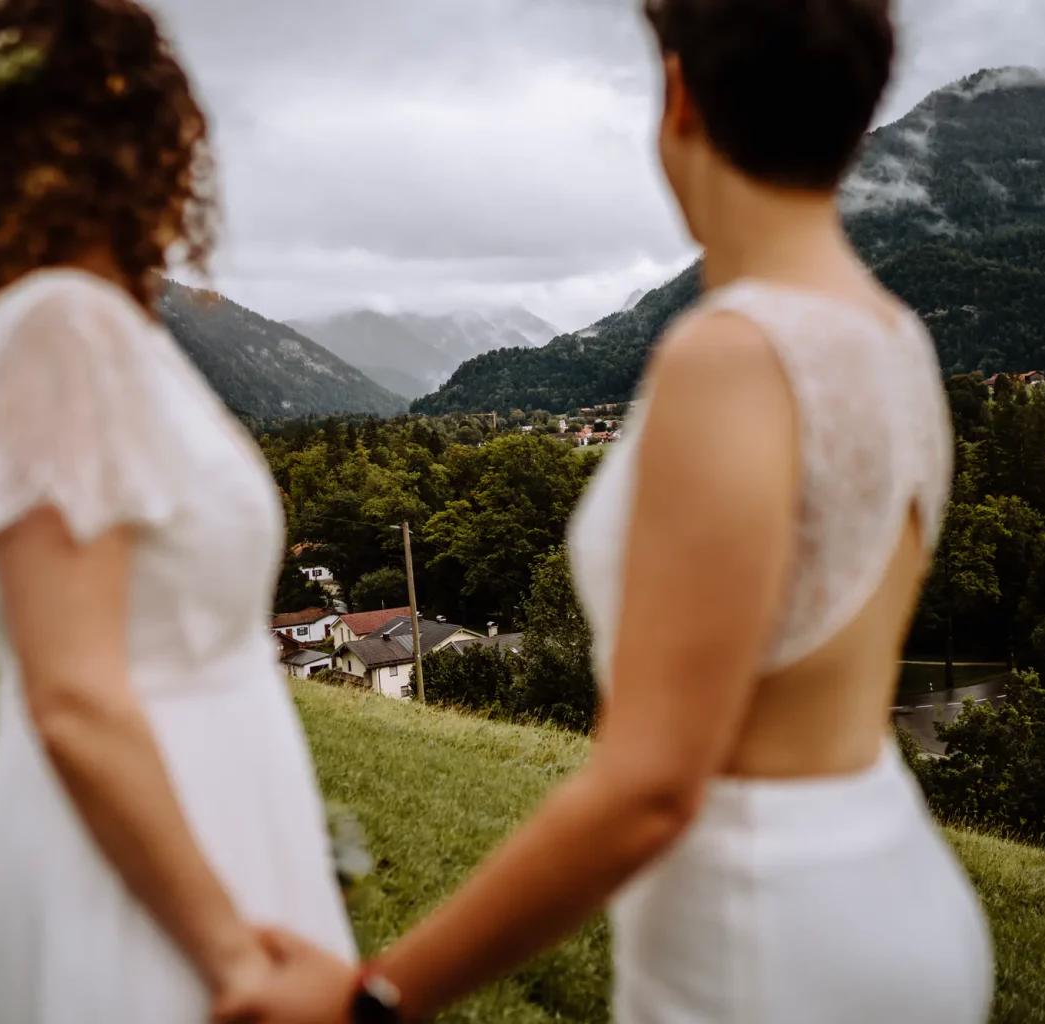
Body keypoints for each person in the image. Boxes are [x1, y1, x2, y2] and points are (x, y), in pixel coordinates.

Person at [227, 1, 994, 1021]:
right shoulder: (897, 340)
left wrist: (371, 998)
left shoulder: (728, 358)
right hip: (899, 886)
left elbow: (650, 788)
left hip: (764, 941)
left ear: (678, 96)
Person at [0, 2, 355, 1021]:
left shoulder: (93, 326)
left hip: (207, 818)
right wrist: (231, 957)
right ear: (145, 145)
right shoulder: (61, 332)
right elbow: (71, 695)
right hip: (152, 871)